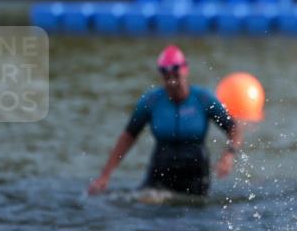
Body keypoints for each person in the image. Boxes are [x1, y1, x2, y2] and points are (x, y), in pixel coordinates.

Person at [88, 45, 240, 196]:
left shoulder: (203, 99)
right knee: (142, 201)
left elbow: (233, 128)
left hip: (195, 172)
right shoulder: (151, 101)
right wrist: (105, 175)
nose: (172, 82)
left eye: (176, 76)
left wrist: (229, 154)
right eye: (167, 78)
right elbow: (128, 137)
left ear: (185, 71)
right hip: (161, 170)